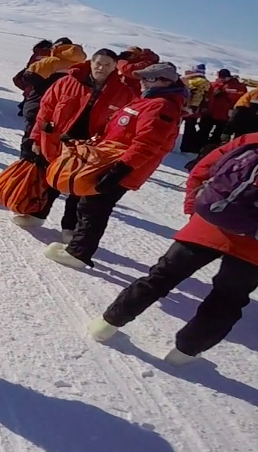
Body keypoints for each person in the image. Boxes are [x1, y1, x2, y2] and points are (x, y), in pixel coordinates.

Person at [87, 132, 258, 365]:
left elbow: (202, 168)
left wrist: (194, 210)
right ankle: (184, 354)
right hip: (254, 248)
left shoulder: (251, 139)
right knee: (227, 300)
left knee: (161, 276)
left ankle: (107, 324)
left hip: (210, 222)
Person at [43, 62, 187, 269]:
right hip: (107, 161)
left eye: (150, 78)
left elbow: (147, 144)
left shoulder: (161, 106)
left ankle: (78, 253)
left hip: (121, 167)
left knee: (95, 208)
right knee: (88, 204)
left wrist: (119, 170)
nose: (144, 82)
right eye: (143, 78)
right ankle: (77, 247)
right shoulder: (146, 101)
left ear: (166, 81)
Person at [15, 49, 135, 240]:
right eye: (98, 63)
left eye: (107, 65)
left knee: (79, 187)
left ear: (115, 68)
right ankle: (36, 215)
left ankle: (69, 229)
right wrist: (37, 137)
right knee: (51, 178)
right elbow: (46, 109)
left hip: (91, 148)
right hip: (58, 140)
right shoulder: (67, 82)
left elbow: (123, 125)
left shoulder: (124, 93)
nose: (101, 68)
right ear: (91, 63)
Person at [16, 40, 87, 141]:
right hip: (68, 110)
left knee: (32, 137)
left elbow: (28, 77)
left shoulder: (51, 61)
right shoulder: (84, 65)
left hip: (40, 103)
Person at [201, 69, 246, 148]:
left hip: (224, 114)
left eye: (224, 77)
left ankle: (212, 148)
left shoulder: (237, 85)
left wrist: (225, 93)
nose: (222, 79)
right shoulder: (214, 84)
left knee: (218, 133)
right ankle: (201, 146)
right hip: (210, 112)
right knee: (203, 130)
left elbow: (240, 95)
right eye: (220, 77)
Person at [14, 39, 54, 116]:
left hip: (33, 75)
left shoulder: (37, 53)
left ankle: (24, 108)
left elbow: (30, 64)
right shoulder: (51, 55)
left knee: (29, 92)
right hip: (43, 76)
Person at [179, 65, 211, 153]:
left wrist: (193, 107)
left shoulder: (197, 81)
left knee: (186, 126)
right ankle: (186, 146)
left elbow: (196, 95)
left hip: (189, 108)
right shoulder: (204, 81)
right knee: (189, 127)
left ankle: (185, 147)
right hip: (194, 108)